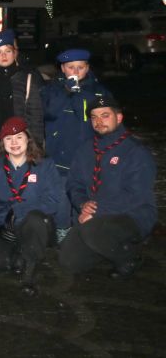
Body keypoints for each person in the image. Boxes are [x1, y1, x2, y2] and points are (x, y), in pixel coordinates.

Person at [59, 97, 157, 279]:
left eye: (105, 115)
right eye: (94, 117)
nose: (98, 121)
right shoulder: (86, 150)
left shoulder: (136, 151)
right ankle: (107, 247)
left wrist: (97, 211)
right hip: (95, 218)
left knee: (92, 231)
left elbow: (137, 195)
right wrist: (82, 204)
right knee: (69, 260)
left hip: (132, 215)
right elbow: (74, 183)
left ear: (119, 118)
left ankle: (130, 256)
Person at [0, 117, 64, 296]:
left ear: (28, 139)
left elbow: (53, 201)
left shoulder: (44, 166)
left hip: (37, 224)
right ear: (3, 143)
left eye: (19, 137)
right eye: (8, 138)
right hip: (7, 225)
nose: (14, 142)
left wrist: (18, 212)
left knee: (35, 220)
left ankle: (30, 272)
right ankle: (20, 252)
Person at [43, 49, 113, 179]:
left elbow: (109, 121)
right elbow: (48, 113)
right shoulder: (51, 89)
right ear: (63, 68)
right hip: (58, 153)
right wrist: (66, 92)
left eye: (80, 67)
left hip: (86, 154)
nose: (75, 72)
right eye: (71, 67)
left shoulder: (98, 91)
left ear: (87, 68)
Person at [0, 29, 44, 161]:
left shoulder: (26, 77)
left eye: (8, 51)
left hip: (18, 139)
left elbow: (35, 114)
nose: (4, 56)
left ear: (15, 53)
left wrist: (36, 143)